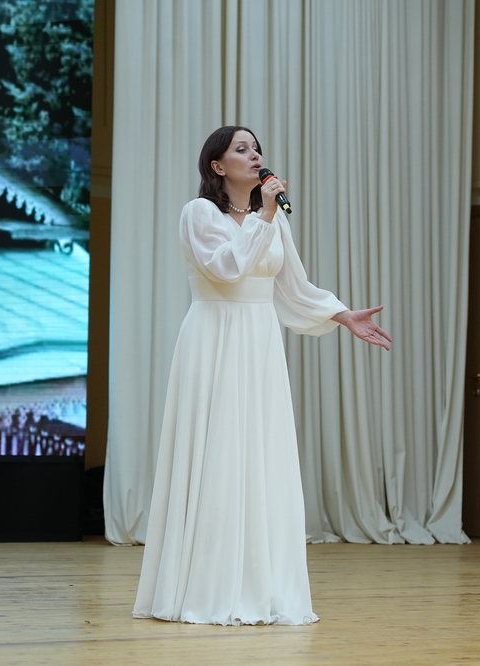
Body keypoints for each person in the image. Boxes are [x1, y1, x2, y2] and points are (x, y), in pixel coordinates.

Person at [132, 126, 392, 626]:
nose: (256, 156)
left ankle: (260, 587)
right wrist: (266, 215)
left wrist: (343, 315)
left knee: (260, 457)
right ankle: (204, 589)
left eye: (257, 149)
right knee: (217, 456)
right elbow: (226, 269)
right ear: (217, 165)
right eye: (242, 149)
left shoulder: (273, 220)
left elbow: (294, 289)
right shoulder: (199, 213)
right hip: (213, 339)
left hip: (260, 343)